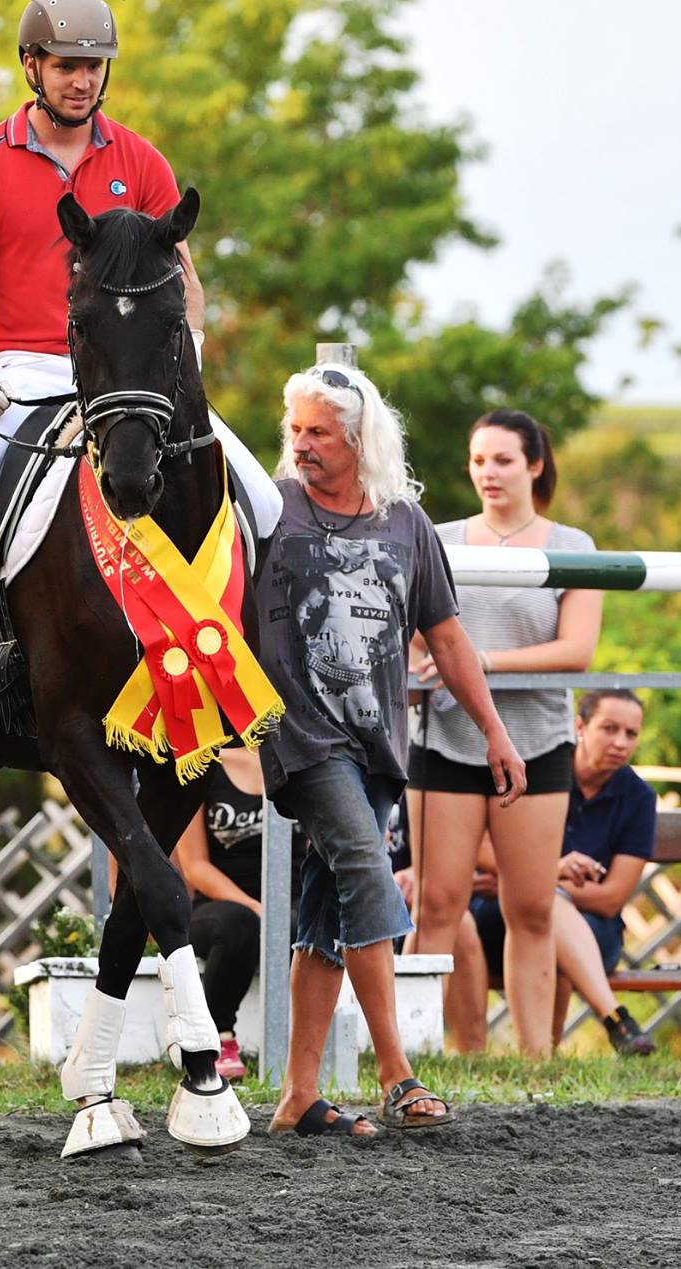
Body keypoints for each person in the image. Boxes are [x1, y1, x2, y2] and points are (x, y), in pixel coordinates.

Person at [0, 0, 280, 720]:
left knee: (262, 497)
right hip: (24, 371)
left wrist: (187, 356)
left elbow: (187, 283)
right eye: (66, 65)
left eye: (94, 66)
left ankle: (268, 657)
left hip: (134, 376)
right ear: (31, 66)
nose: (82, 80)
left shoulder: (141, 161)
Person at [258, 363, 525, 1138]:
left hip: (377, 740)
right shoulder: (272, 506)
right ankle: (397, 1075)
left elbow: (446, 635)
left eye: (318, 432)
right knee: (369, 874)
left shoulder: (406, 523)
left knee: (324, 913)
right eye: (295, 430)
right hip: (300, 733)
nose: (300, 445)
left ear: (358, 438)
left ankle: (298, 1096)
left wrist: (495, 729)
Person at [409, 409, 601, 1058]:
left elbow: (577, 650)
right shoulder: (435, 537)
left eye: (503, 460)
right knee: (436, 905)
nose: (488, 473)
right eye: (478, 460)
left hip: (539, 743)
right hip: (445, 742)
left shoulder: (573, 545)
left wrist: (480, 662)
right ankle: (406, 1058)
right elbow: (412, 636)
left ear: (535, 464)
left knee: (533, 909)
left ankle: (534, 1064)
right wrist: (423, 665)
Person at [445, 689, 658, 1056]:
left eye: (631, 734)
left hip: (593, 933)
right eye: (609, 728)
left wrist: (527, 881)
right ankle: (612, 1020)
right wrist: (553, 872)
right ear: (579, 726)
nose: (620, 743)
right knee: (539, 906)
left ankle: (543, 1056)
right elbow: (477, 848)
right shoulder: (535, 773)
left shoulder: (638, 797)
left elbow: (610, 900)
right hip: (502, 925)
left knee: (545, 904)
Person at [169, 745, 294, 1082]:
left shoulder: (296, 760)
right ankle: (217, 1038)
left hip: (291, 903)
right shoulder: (201, 764)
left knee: (304, 925)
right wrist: (257, 908)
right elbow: (195, 867)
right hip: (216, 907)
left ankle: (304, 1049)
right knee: (240, 924)